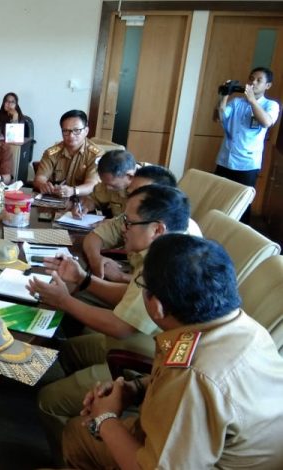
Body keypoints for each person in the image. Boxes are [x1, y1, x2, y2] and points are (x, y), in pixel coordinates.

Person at [63, 234, 283, 469]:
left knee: (77, 436)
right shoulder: (243, 326)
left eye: (141, 285)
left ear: (157, 306)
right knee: (79, 432)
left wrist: (105, 418)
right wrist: (135, 388)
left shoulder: (193, 376)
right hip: (203, 447)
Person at [28, 185, 191, 462]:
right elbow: (130, 296)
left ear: (157, 229)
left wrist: (64, 300)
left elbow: (121, 327)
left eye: (128, 221)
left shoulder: (166, 265)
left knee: (48, 401)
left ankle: (73, 456)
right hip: (148, 351)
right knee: (67, 351)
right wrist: (83, 279)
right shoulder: (169, 249)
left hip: (143, 353)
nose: (122, 227)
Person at [81, 165, 202, 282]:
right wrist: (95, 259)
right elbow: (96, 236)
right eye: (131, 193)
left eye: (143, 193)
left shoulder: (179, 245)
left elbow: (153, 288)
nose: (132, 198)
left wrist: (121, 277)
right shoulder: (133, 218)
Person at [214, 67, 280, 223]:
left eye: (259, 80)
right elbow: (218, 118)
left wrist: (252, 101)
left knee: (242, 204)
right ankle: (216, 228)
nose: (253, 83)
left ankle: (239, 233)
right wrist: (224, 95)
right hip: (225, 159)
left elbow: (266, 122)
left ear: (268, 85)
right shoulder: (237, 102)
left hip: (247, 165)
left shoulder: (271, 105)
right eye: (251, 79)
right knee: (219, 199)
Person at [34, 109, 103, 198]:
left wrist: (73, 191)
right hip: (56, 199)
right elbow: (39, 178)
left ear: (86, 131)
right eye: (66, 131)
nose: (71, 135)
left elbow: (92, 185)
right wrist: (42, 185)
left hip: (83, 201)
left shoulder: (96, 154)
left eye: (76, 130)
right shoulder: (51, 153)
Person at [71, 149, 137, 219]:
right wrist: (83, 206)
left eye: (113, 185)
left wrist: (109, 223)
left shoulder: (144, 190)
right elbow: (94, 199)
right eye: (104, 183)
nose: (107, 188)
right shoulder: (109, 181)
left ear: (130, 176)